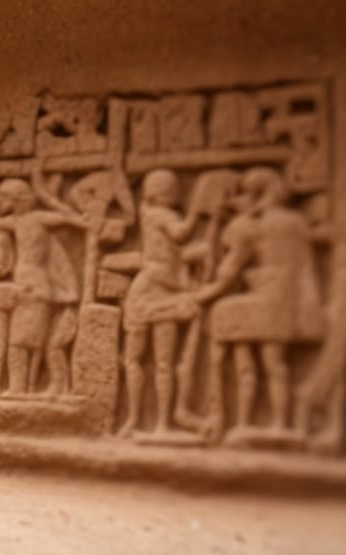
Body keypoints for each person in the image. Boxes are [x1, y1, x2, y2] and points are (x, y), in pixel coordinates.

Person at [196, 168, 324, 440]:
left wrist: (203, 294)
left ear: (255, 194)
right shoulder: (296, 222)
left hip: (267, 298)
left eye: (245, 193)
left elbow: (229, 270)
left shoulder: (250, 225)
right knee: (274, 362)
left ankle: (238, 420)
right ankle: (277, 422)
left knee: (226, 322)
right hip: (289, 300)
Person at [0, 168, 89, 396]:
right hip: (26, 286)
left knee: (23, 341)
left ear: (15, 198)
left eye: (3, 196)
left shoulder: (31, 220)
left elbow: (65, 219)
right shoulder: (20, 221)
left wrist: (81, 219)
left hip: (34, 286)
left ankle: (26, 387)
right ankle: (25, 386)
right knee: (26, 341)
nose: (0, 201)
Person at [120, 170, 208, 436]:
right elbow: (181, 234)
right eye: (172, 190)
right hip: (158, 288)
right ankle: (152, 422)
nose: (177, 195)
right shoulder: (163, 215)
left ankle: (141, 420)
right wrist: (198, 209)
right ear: (161, 193)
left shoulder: (146, 211)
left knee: (140, 360)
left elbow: (177, 249)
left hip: (151, 288)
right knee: (159, 362)